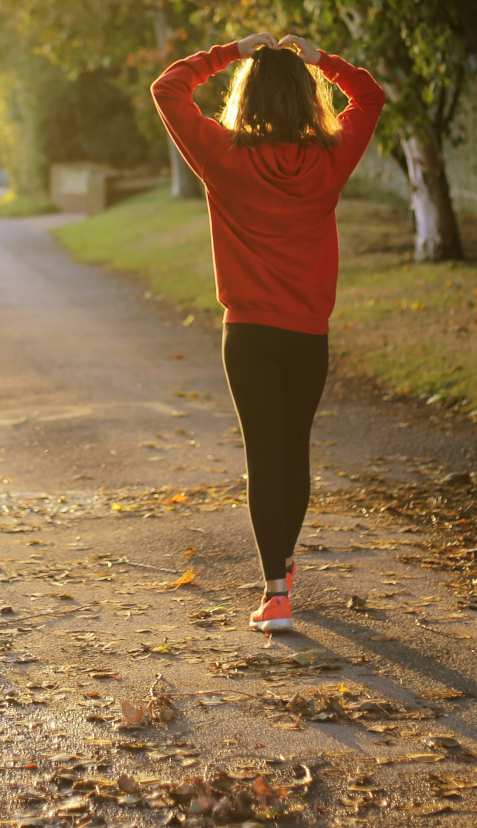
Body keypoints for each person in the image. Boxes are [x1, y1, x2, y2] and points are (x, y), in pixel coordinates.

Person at [151, 31, 386, 633]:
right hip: (308, 332)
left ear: (247, 98)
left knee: (264, 454)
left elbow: (168, 88)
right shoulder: (331, 157)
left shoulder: (222, 155)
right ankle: (280, 570)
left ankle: (276, 592)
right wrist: (321, 60)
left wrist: (231, 51)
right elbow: (371, 95)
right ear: (308, 99)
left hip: (249, 333)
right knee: (294, 450)